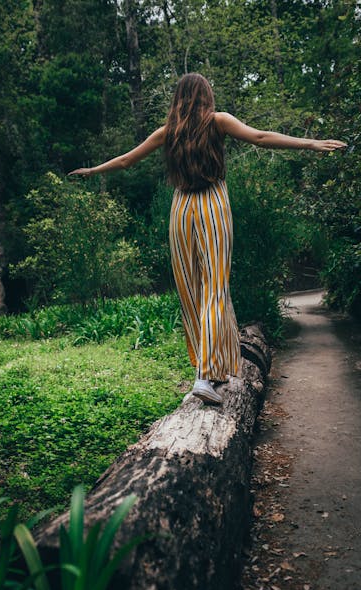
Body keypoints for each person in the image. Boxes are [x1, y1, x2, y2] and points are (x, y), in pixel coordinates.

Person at [69, 72, 346, 404]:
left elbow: (127, 161)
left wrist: (93, 171)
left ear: (178, 99)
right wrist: (311, 143)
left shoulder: (166, 132)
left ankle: (206, 370)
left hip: (181, 207)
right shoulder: (217, 121)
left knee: (192, 290)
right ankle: (204, 376)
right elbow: (260, 137)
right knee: (215, 288)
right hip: (212, 202)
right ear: (206, 96)